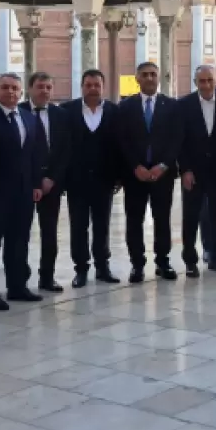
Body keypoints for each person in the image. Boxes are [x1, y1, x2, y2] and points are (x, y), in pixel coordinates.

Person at [0, 73, 45, 309]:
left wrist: (36, 184)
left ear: (21, 92)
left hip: (24, 192)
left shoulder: (28, 117)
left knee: (19, 241)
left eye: (15, 88)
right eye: (5, 87)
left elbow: (34, 154)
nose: (10, 92)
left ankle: (17, 286)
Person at [117, 62, 183, 283]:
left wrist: (163, 165)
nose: (149, 78)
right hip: (135, 175)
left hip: (162, 175)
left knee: (162, 218)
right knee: (134, 219)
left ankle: (163, 261)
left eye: (153, 74)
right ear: (137, 78)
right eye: (144, 74)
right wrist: (135, 166)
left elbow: (177, 139)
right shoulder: (126, 106)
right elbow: (122, 140)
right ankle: (137, 264)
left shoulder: (172, 106)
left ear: (159, 77)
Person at [63, 70, 122, 287]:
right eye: (88, 85)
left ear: (103, 87)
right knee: (78, 226)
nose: (93, 89)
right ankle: (80, 269)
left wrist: (119, 176)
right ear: (82, 87)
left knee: (102, 225)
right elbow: (62, 146)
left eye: (97, 85)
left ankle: (102, 267)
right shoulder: (67, 111)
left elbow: (120, 145)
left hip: (104, 179)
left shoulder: (114, 111)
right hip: (76, 180)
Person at [178, 65, 216, 277]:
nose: (206, 85)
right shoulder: (184, 105)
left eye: (209, 80)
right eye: (201, 81)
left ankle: (215, 258)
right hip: (193, 172)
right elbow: (180, 141)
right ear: (195, 82)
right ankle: (190, 260)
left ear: (215, 81)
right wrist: (185, 170)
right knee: (190, 217)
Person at [26, 72, 70, 294]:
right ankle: (19, 278)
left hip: (51, 184)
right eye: (40, 86)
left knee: (50, 232)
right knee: (20, 233)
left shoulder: (60, 115)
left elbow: (65, 150)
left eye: (48, 87)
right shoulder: (19, 112)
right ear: (30, 89)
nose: (44, 91)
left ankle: (47, 276)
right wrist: (34, 181)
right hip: (25, 184)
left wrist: (52, 178)